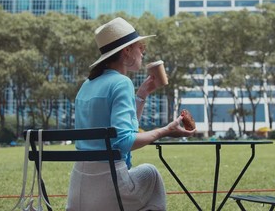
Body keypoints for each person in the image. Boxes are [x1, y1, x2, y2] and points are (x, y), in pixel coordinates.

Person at [66, 17, 196, 211]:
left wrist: (141, 95)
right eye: (140, 46)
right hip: (109, 189)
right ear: (127, 51)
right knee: (151, 173)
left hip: (78, 191)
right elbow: (124, 141)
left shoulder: (87, 85)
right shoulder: (121, 82)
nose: (143, 51)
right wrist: (165, 131)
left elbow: (119, 130)